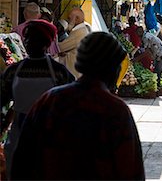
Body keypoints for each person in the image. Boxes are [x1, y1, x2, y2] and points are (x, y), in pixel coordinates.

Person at [10, 32, 145, 180]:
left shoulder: (49, 101)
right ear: (112, 68)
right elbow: (131, 170)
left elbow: (21, 160)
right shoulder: (115, 110)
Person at [0, 20, 75, 179]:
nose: (27, 42)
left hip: (50, 136)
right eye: (26, 38)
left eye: (33, 38)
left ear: (45, 42)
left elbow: (72, 104)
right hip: (20, 135)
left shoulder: (59, 72)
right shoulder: (13, 71)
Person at [58, 8, 89, 78]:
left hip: (74, 74)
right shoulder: (82, 30)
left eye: (69, 18)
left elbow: (59, 48)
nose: (68, 21)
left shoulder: (78, 32)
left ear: (77, 19)